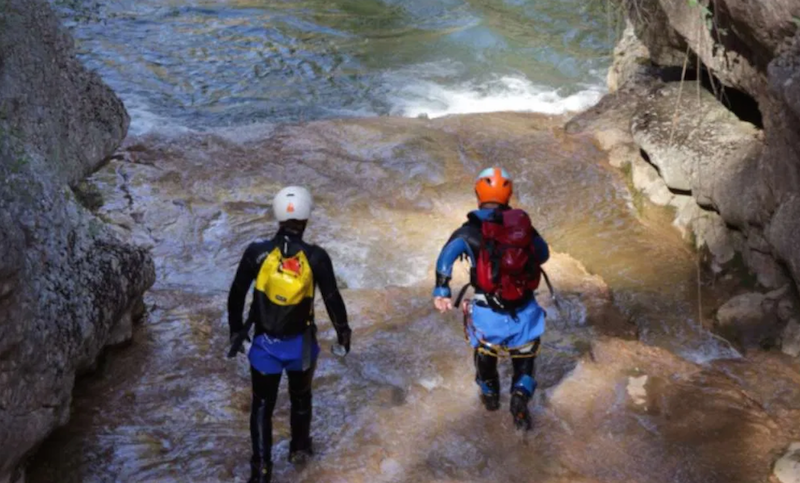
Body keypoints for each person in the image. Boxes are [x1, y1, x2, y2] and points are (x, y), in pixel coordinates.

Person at [227, 186, 352, 483]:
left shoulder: (256, 253)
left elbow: (235, 296)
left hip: (264, 347)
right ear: (306, 219)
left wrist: (236, 332)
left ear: (277, 217)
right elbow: (333, 300)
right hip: (301, 347)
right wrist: (343, 334)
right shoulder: (317, 257)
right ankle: (299, 450)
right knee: (301, 398)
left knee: (261, 405)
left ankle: (261, 471)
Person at [432, 167, 549, 431]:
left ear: (477, 195)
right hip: (525, 314)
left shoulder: (468, 231)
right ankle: (520, 395)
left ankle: (490, 398)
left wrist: (441, 290)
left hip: (487, 316)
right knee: (525, 360)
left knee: (485, 355)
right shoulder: (524, 228)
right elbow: (543, 255)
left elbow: (445, 258)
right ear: (510, 195)